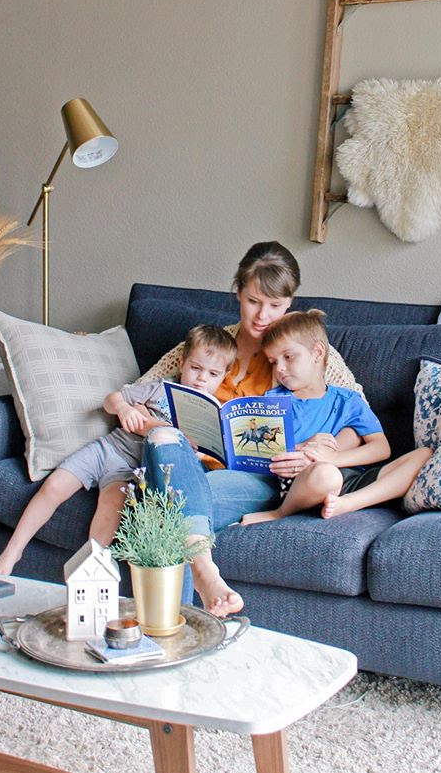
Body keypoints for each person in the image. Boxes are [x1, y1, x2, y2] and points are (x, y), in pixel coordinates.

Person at [137, 241, 364, 617]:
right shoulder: (210, 343)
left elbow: (357, 416)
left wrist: (320, 449)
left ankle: (179, 620)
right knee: (163, 438)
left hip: (262, 477)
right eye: (254, 301)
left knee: (163, 502)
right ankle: (201, 585)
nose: (263, 316)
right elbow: (139, 395)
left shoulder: (299, 349)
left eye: (276, 305)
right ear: (237, 293)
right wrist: (168, 426)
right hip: (190, 465)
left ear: (290, 303)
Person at [0, 325, 237, 576]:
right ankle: (13, 551)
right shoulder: (161, 387)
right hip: (108, 449)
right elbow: (112, 399)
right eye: (195, 368)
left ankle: (90, 569)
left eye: (213, 374)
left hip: (130, 471)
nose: (201, 379)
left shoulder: (210, 414)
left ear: (224, 376)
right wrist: (124, 408)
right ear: (182, 363)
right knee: (54, 486)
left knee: (111, 507)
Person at [240, 310, 433, 525]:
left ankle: (350, 502)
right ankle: (280, 513)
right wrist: (306, 450)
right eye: (273, 362)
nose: (280, 369)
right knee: (326, 475)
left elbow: (381, 448)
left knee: (424, 455)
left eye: (288, 357)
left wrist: (333, 458)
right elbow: (266, 450)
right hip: (304, 483)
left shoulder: (348, 400)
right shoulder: (274, 400)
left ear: (317, 352)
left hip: (349, 481)